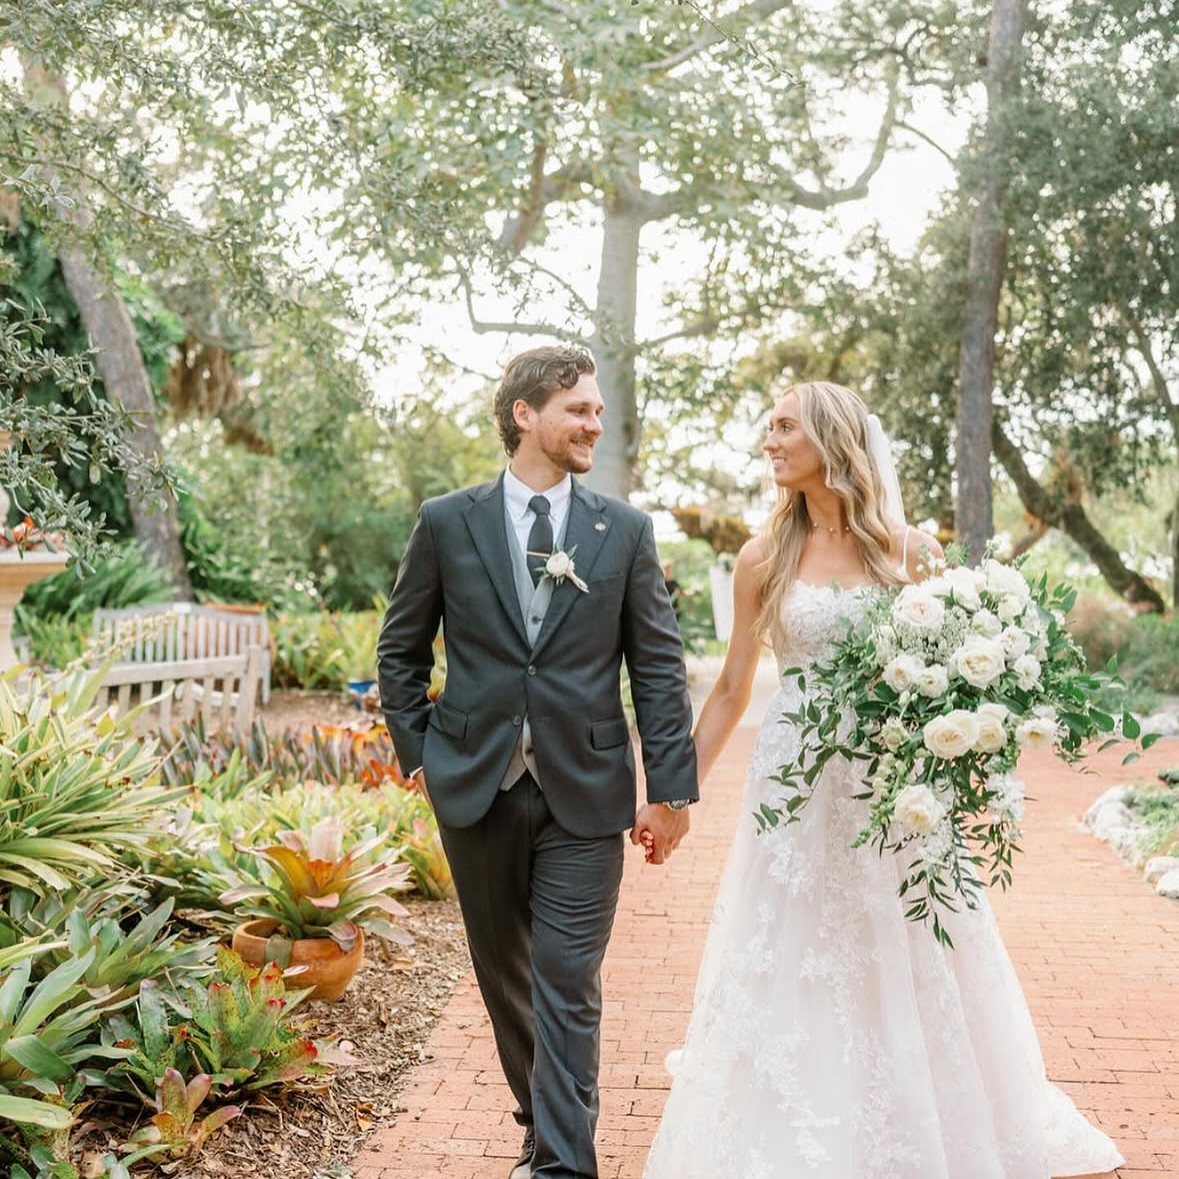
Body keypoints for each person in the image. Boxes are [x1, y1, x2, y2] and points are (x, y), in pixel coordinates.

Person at [642, 381, 1123, 1179]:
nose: (769, 441)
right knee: (792, 935)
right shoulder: (761, 557)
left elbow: (950, 677)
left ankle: (920, 1107)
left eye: (784, 426)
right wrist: (672, 794)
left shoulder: (909, 552)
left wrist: (964, 751)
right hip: (792, 780)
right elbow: (730, 690)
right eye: (768, 428)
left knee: (901, 933)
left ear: (831, 440)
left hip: (889, 779)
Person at [377, 344, 699, 1179]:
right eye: (579, 409)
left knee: (565, 977)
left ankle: (562, 1164)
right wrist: (419, 752)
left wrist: (669, 788)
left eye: (596, 410)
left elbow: (657, 667)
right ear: (525, 414)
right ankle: (540, 1120)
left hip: (585, 792)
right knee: (504, 975)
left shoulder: (621, 531)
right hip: (473, 786)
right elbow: (399, 650)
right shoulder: (448, 521)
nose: (595, 422)